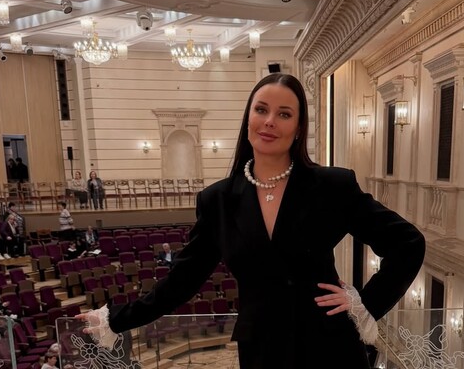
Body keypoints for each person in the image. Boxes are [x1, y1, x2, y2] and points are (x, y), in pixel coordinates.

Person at [77, 74, 425, 368]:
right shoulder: (217, 200)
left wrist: (365, 304)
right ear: (248, 119)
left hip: (330, 345)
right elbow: (182, 280)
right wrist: (116, 319)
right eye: (261, 110)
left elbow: (408, 243)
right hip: (262, 350)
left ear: (298, 128)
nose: (270, 120)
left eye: (284, 114)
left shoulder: (331, 186)